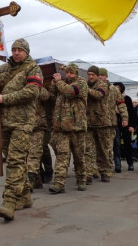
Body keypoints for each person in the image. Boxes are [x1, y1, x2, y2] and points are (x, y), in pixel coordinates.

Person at [0, 38, 42, 221]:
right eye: (14, 49)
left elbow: (32, 92)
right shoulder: (2, 69)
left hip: (22, 123)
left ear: (26, 52)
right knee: (12, 159)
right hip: (4, 122)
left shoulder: (33, 68)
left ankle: (9, 201)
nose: (16, 52)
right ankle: (25, 196)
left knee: (16, 161)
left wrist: (5, 98)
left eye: (20, 50)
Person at [48, 63, 88, 193]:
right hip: (62, 128)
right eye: (67, 73)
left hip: (77, 127)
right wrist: (53, 84)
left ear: (76, 73)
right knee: (62, 155)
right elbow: (52, 97)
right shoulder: (62, 84)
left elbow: (71, 92)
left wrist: (59, 82)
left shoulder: (81, 83)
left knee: (79, 156)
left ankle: (81, 179)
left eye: (71, 73)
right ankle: (59, 183)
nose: (69, 75)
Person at [98, 69, 128, 175]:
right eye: (99, 75)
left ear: (106, 77)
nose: (100, 77)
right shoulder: (92, 88)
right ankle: (97, 168)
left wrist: (125, 118)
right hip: (95, 123)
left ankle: (108, 167)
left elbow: (121, 104)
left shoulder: (113, 89)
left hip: (110, 122)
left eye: (102, 75)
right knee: (95, 148)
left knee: (108, 147)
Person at [84, 65, 110, 183]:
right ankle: (88, 173)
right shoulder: (85, 84)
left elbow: (99, 95)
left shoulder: (103, 85)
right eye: (89, 74)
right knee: (87, 149)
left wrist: (86, 90)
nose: (90, 77)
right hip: (88, 121)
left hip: (101, 122)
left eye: (92, 75)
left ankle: (104, 171)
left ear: (97, 75)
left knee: (102, 149)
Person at [26, 85, 51, 190]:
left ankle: (32, 180)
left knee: (36, 153)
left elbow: (46, 96)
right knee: (28, 154)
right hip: (24, 125)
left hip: (38, 125)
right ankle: (37, 180)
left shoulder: (38, 87)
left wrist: (37, 85)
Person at [113, 82, 138, 171]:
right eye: (115, 87)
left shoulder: (127, 99)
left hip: (126, 124)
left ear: (122, 88)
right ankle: (117, 165)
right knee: (117, 144)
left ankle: (130, 163)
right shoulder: (111, 98)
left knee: (127, 144)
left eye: (118, 87)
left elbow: (131, 113)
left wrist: (131, 125)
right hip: (115, 124)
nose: (116, 88)